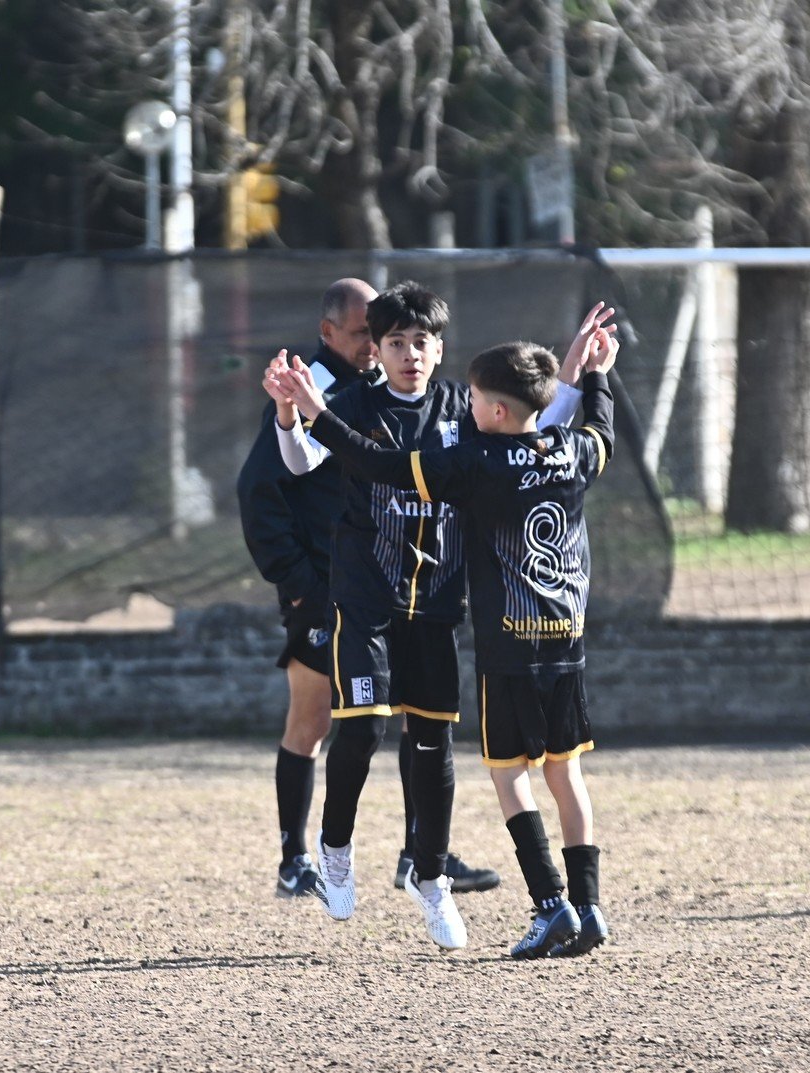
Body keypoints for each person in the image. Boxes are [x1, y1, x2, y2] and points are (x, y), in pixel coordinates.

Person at [270, 281, 610, 950]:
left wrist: (568, 373)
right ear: (376, 349)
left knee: (431, 750)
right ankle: (334, 847)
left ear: (438, 348)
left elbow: (529, 425)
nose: (408, 354)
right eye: (394, 343)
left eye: (419, 343)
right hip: (368, 602)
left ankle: (431, 878)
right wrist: (292, 415)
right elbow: (302, 457)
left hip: (436, 607)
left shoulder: (465, 414)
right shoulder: (352, 402)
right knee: (363, 730)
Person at [236, 279, 500, 900]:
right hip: (332, 589)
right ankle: (298, 858)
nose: (385, 347)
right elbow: (267, 487)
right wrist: (299, 584)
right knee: (318, 719)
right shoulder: (323, 396)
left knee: (420, 721)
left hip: (413, 593)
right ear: (334, 335)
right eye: (372, 335)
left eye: (411, 338)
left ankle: (418, 854)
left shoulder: (437, 401)